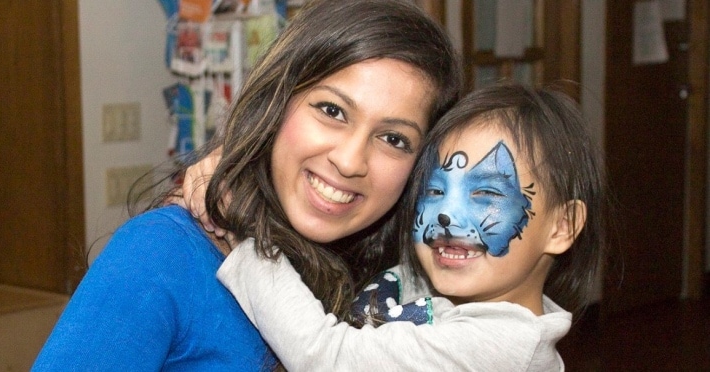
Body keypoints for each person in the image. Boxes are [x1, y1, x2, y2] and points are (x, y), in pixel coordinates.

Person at [32, 0, 462, 370]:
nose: (349, 161)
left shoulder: (409, 287)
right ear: (276, 103)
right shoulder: (162, 253)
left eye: (393, 139)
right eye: (331, 110)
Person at [213, 83, 609, 371]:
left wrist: (244, 231)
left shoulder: (505, 346)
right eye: (434, 190)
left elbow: (326, 357)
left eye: (485, 193)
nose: (445, 214)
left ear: (562, 226)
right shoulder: (434, 285)